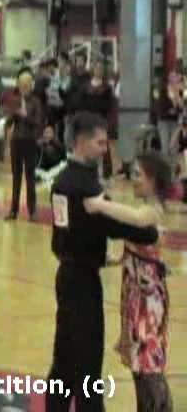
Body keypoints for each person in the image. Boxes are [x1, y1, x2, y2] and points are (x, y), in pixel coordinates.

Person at [46, 112, 160, 411]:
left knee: (64, 361)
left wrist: (99, 256)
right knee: (88, 365)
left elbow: (63, 233)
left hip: (66, 277)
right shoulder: (86, 186)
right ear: (82, 142)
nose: (104, 148)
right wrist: (149, 230)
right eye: (99, 142)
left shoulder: (61, 181)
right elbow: (114, 224)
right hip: (83, 284)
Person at [84, 151, 173, 412]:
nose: (133, 179)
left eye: (137, 174)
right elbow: (136, 249)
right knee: (138, 363)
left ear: (152, 180)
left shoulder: (152, 211)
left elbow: (135, 219)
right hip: (134, 296)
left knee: (147, 363)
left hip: (148, 300)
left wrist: (99, 205)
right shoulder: (144, 209)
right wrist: (113, 260)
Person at [5, 71, 44, 222]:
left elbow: (38, 122)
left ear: (31, 86)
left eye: (26, 85)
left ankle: (32, 211)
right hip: (16, 141)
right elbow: (9, 122)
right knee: (16, 176)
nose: (24, 88)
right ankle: (13, 210)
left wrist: (24, 115)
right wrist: (12, 115)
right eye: (21, 85)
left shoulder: (36, 102)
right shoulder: (15, 100)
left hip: (30, 141)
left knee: (30, 177)